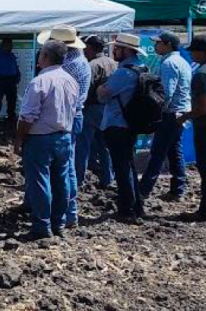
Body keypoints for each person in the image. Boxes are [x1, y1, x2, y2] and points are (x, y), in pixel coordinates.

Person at [14, 40, 79, 239]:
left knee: (40, 181)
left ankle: (42, 226)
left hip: (40, 138)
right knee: (61, 181)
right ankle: (58, 222)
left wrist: (19, 139)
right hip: (64, 136)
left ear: (45, 57)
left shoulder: (40, 82)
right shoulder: (70, 80)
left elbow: (27, 116)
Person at [39, 25, 90, 228]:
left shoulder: (68, 66)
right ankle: (67, 212)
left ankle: (67, 212)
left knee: (64, 167)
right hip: (72, 115)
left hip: (64, 117)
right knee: (65, 165)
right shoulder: (78, 61)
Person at [98, 33, 148, 222]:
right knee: (128, 165)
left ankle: (127, 209)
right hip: (131, 124)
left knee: (122, 167)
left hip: (117, 124)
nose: (114, 50)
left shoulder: (123, 72)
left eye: (117, 48)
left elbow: (104, 94)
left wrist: (100, 88)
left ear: (127, 50)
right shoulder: (142, 68)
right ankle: (136, 206)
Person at [140, 31, 192, 201]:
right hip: (179, 112)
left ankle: (144, 190)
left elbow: (166, 94)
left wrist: (155, 112)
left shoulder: (169, 63)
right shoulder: (181, 61)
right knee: (173, 151)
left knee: (158, 152)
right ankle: (178, 188)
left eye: (158, 43)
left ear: (168, 44)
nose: (156, 46)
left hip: (170, 113)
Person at [179, 34, 206, 222]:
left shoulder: (202, 74)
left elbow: (203, 107)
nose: (191, 54)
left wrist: (184, 116)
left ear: (202, 52)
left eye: (193, 50)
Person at [78, 35, 117, 189]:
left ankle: (79, 179)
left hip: (92, 108)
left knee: (83, 146)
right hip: (108, 110)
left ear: (90, 47)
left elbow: (87, 89)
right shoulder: (113, 63)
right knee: (105, 147)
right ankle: (108, 178)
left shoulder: (92, 65)